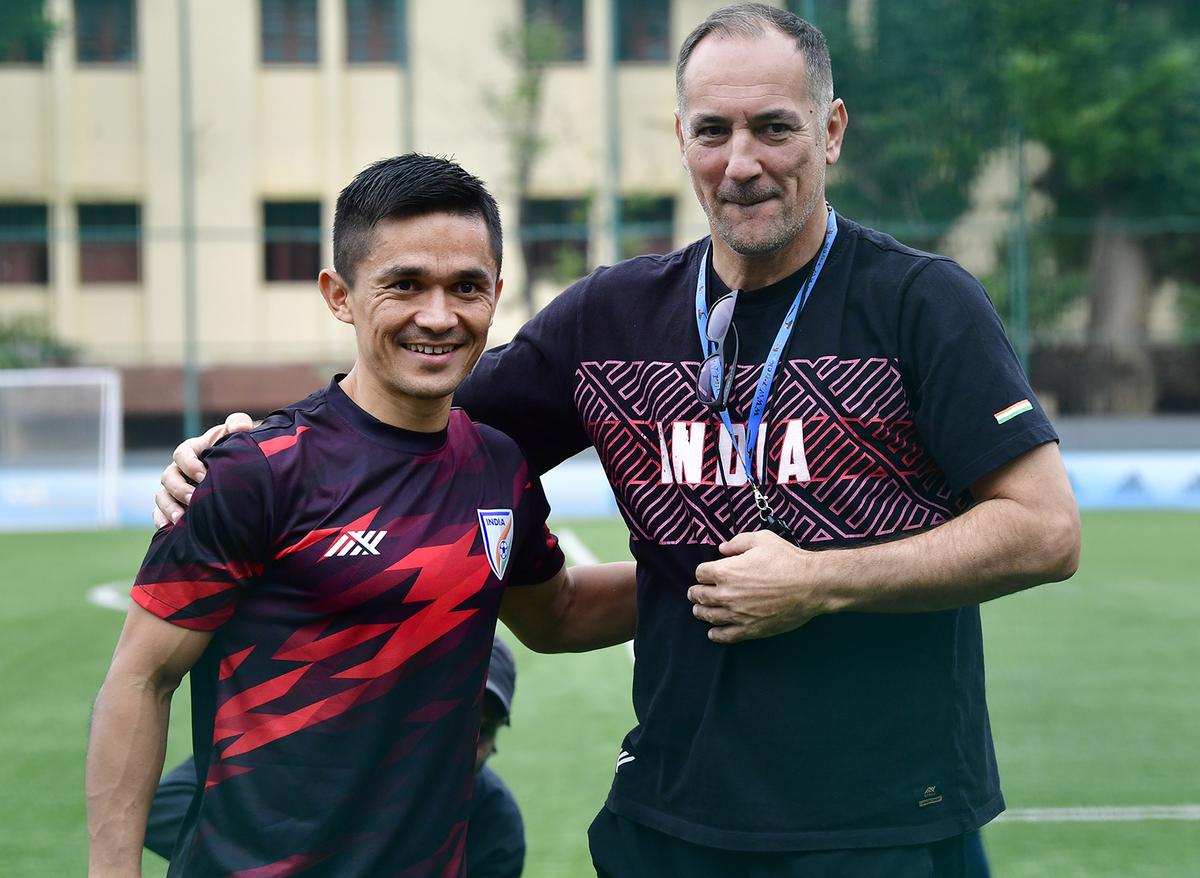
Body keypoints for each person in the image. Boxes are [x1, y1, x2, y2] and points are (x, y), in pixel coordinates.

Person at [155, 5, 1080, 876]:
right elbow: (414, 406)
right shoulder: (613, 317)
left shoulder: (921, 303)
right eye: (713, 131)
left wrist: (822, 580)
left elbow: (1044, 530)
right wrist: (260, 441)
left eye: (775, 127)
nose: (743, 162)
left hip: (885, 821)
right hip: (669, 820)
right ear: (680, 140)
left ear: (831, 131)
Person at [87, 154, 635, 878]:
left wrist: (715, 570)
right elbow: (140, 680)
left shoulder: (500, 468)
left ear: (496, 295)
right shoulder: (255, 471)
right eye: (404, 285)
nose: (438, 316)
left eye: (466, 287)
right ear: (340, 295)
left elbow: (556, 616)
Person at [144, 636, 528, 877]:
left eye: (487, 728)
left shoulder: (494, 824)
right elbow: (161, 807)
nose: (467, 743)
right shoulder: (313, 757)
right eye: (457, 720)